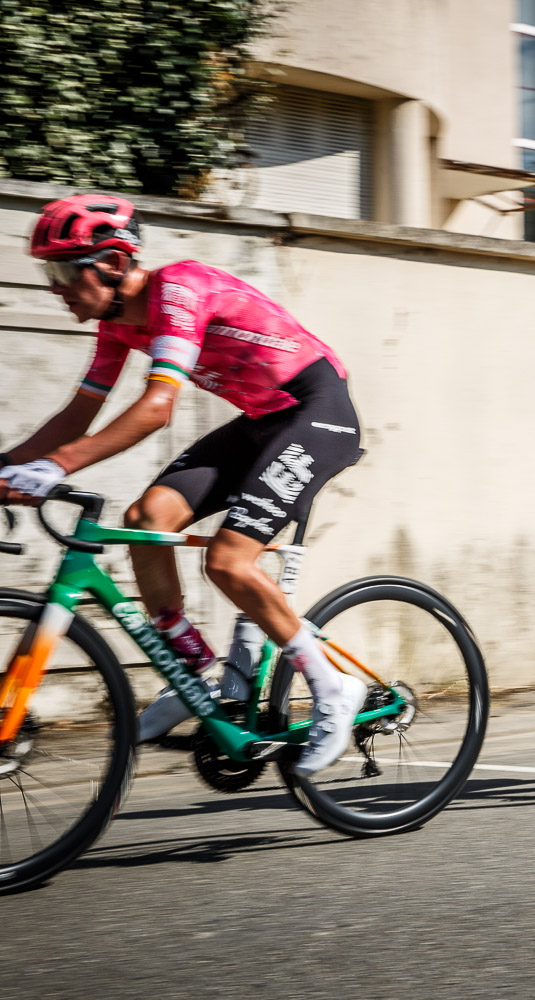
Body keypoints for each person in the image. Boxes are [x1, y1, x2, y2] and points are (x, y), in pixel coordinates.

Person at [1, 194, 365, 774]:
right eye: (51, 272)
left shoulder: (179, 290)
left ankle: (332, 686)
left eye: (66, 270)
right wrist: (6, 467)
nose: (57, 287)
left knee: (227, 562)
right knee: (146, 520)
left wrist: (57, 467)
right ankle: (193, 672)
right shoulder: (118, 327)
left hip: (316, 412)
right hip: (263, 422)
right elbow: (77, 417)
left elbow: (156, 409)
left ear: (115, 264)